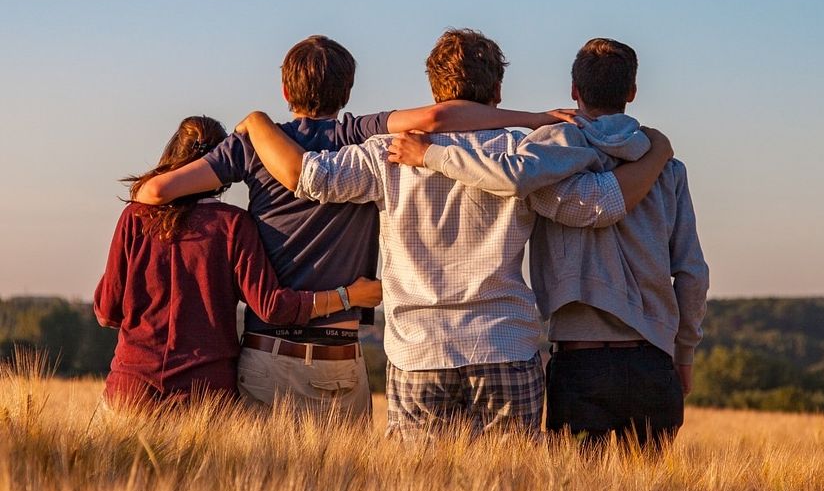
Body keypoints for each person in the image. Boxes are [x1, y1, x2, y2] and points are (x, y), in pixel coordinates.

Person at [234, 30, 673, 439]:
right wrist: (656, 154)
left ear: (434, 90)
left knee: (418, 488)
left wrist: (257, 123)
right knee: (512, 486)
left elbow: (309, 177)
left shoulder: (386, 152)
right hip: (504, 345)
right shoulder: (522, 154)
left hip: (418, 350)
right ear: (497, 92)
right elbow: (595, 206)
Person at [132, 35, 579, 419]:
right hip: (343, 354)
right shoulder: (360, 135)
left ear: (285, 90)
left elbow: (154, 193)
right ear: (347, 91)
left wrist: (252, 126)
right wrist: (534, 119)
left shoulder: (253, 145)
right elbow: (436, 119)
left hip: (270, 351)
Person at [390, 38, 709, 447]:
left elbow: (510, 176)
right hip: (653, 359)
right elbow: (692, 273)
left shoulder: (548, 154)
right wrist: (684, 354)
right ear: (631, 92)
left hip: (579, 360)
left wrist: (431, 155)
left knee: (574, 486)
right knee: (651, 489)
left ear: (574, 90)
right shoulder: (667, 167)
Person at [94, 115, 382, 408]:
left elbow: (107, 312)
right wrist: (349, 296)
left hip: (130, 389)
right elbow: (272, 307)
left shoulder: (135, 217)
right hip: (206, 395)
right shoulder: (233, 225)